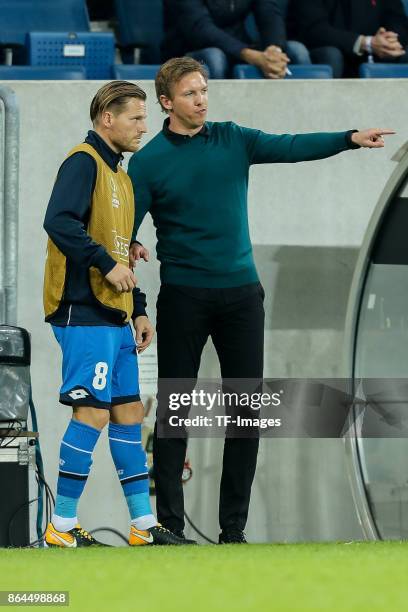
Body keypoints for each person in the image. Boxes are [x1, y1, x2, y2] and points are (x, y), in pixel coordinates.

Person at [127, 56, 393, 544]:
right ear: (167, 102)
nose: (202, 100)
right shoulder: (148, 162)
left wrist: (348, 138)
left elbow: (290, 146)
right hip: (185, 295)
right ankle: (167, 525)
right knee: (176, 411)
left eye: (204, 90)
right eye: (190, 94)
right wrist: (137, 292)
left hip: (242, 296)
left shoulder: (232, 138)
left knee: (246, 411)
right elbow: (121, 234)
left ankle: (234, 530)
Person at [42, 80, 191, 547]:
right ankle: (61, 526)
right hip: (81, 308)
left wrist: (140, 309)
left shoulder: (123, 177)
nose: (143, 127)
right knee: (92, 412)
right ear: (108, 118)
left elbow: (123, 247)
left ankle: (143, 526)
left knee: (128, 411)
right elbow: (59, 220)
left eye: (145, 118)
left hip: (116, 314)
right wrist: (105, 262)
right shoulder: (82, 162)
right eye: (136, 118)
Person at [162, 0, 310, 79]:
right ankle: (214, 125)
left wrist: (274, 50)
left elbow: (269, 12)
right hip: (190, 49)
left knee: (297, 51)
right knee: (215, 58)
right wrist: (250, 55)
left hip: (240, 46)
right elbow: (200, 28)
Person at [287, 0, 408, 78]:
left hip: (378, 51)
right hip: (332, 49)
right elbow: (314, 29)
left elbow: (397, 19)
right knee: (331, 55)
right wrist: (366, 43)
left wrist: (391, 40)